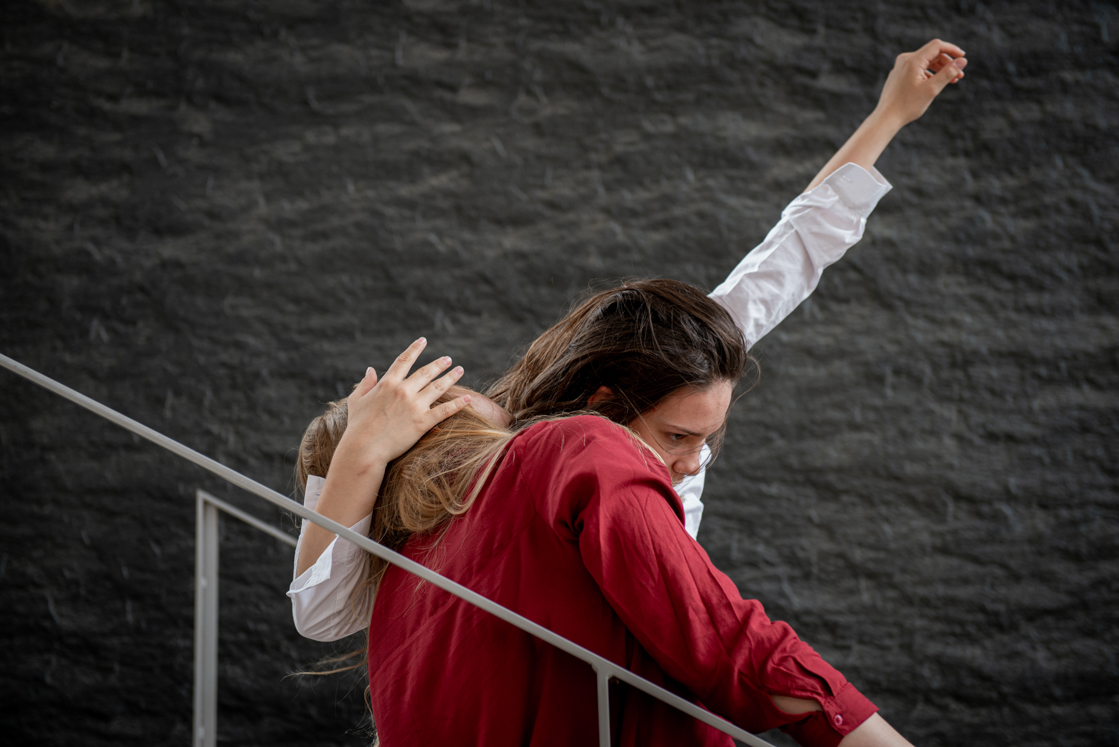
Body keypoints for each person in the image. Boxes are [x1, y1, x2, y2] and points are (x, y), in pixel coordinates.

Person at [289, 39, 969, 642]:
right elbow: (323, 618)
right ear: (608, 402)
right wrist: (360, 448)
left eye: (706, 439)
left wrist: (890, 115)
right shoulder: (490, 462)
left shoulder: (680, 378)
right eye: (677, 437)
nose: (694, 463)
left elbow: (790, 252)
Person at [294, 362, 919, 745]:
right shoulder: (563, 448)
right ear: (433, 447)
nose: (506, 409)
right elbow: (732, 643)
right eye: (449, 404)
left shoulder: (411, 586)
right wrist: (358, 450)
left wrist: (358, 454)